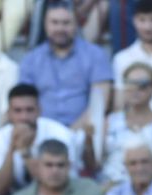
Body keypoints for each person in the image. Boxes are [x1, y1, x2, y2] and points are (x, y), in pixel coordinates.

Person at [19, 2, 113, 154]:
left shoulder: (95, 55)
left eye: (66, 23)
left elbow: (100, 102)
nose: (60, 28)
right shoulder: (31, 59)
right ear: (45, 25)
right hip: (41, 132)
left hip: (82, 133)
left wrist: (70, 133)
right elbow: (24, 102)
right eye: (54, 23)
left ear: (76, 24)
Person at [0, 82, 84, 195]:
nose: (24, 117)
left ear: (39, 110)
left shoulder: (60, 134)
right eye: (18, 111)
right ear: (8, 114)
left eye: (29, 110)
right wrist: (12, 148)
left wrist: (25, 153)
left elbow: (59, 184)